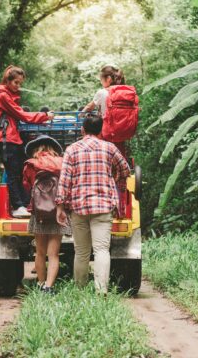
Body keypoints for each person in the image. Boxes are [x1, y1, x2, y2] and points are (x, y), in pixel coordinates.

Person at [55, 114, 131, 293]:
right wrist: (113, 176)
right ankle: (101, 291)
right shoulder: (109, 148)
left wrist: (60, 206)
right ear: (101, 130)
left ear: (82, 130)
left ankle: (80, 289)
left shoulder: (72, 149)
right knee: (102, 249)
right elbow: (126, 169)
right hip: (103, 206)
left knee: (81, 252)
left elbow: (64, 180)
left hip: (78, 207)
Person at [0, 65, 54, 218]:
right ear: (7, 80)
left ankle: (24, 203)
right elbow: (22, 115)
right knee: (13, 173)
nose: (18, 86)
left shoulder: (8, 95)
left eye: (20, 83)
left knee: (20, 171)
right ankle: (18, 206)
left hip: (13, 138)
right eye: (16, 83)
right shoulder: (3, 97)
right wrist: (44, 116)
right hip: (7, 139)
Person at [23, 135, 71, 294]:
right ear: (53, 149)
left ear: (36, 149)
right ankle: (49, 287)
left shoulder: (31, 164)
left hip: (39, 213)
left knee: (40, 252)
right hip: (58, 211)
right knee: (53, 254)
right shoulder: (62, 162)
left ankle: (40, 283)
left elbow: (27, 186)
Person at [81, 65, 128, 157]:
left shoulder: (102, 92)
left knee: (105, 155)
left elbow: (89, 107)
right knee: (120, 155)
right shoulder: (124, 92)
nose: (101, 82)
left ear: (108, 79)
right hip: (122, 131)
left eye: (101, 79)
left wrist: (80, 115)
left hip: (107, 132)